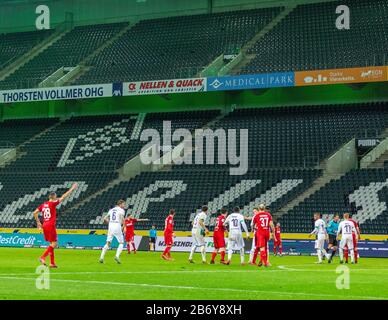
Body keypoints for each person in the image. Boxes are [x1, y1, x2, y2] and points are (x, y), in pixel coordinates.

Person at [34, 183, 78, 268]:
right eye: (56, 196)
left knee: (51, 243)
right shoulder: (53, 203)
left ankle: (52, 263)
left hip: (44, 225)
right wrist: (72, 189)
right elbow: (64, 197)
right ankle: (43, 257)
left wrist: (38, 222)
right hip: (50, 225)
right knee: (54, 243)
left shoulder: (43, 204)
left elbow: (34, 213)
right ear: (54, 197)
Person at [99, 200, 126, 264]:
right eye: (123, 204)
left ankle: (101, 257)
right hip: (117, 225)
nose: (124, 206)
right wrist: (123, 227)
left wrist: (110, 223)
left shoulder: (111, 210)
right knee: (121, 243)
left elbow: (104, 218)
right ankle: (117, 256)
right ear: (120, 204)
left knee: (108, 243)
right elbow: (123, 219)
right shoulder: (121, 210)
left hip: (111, 226)